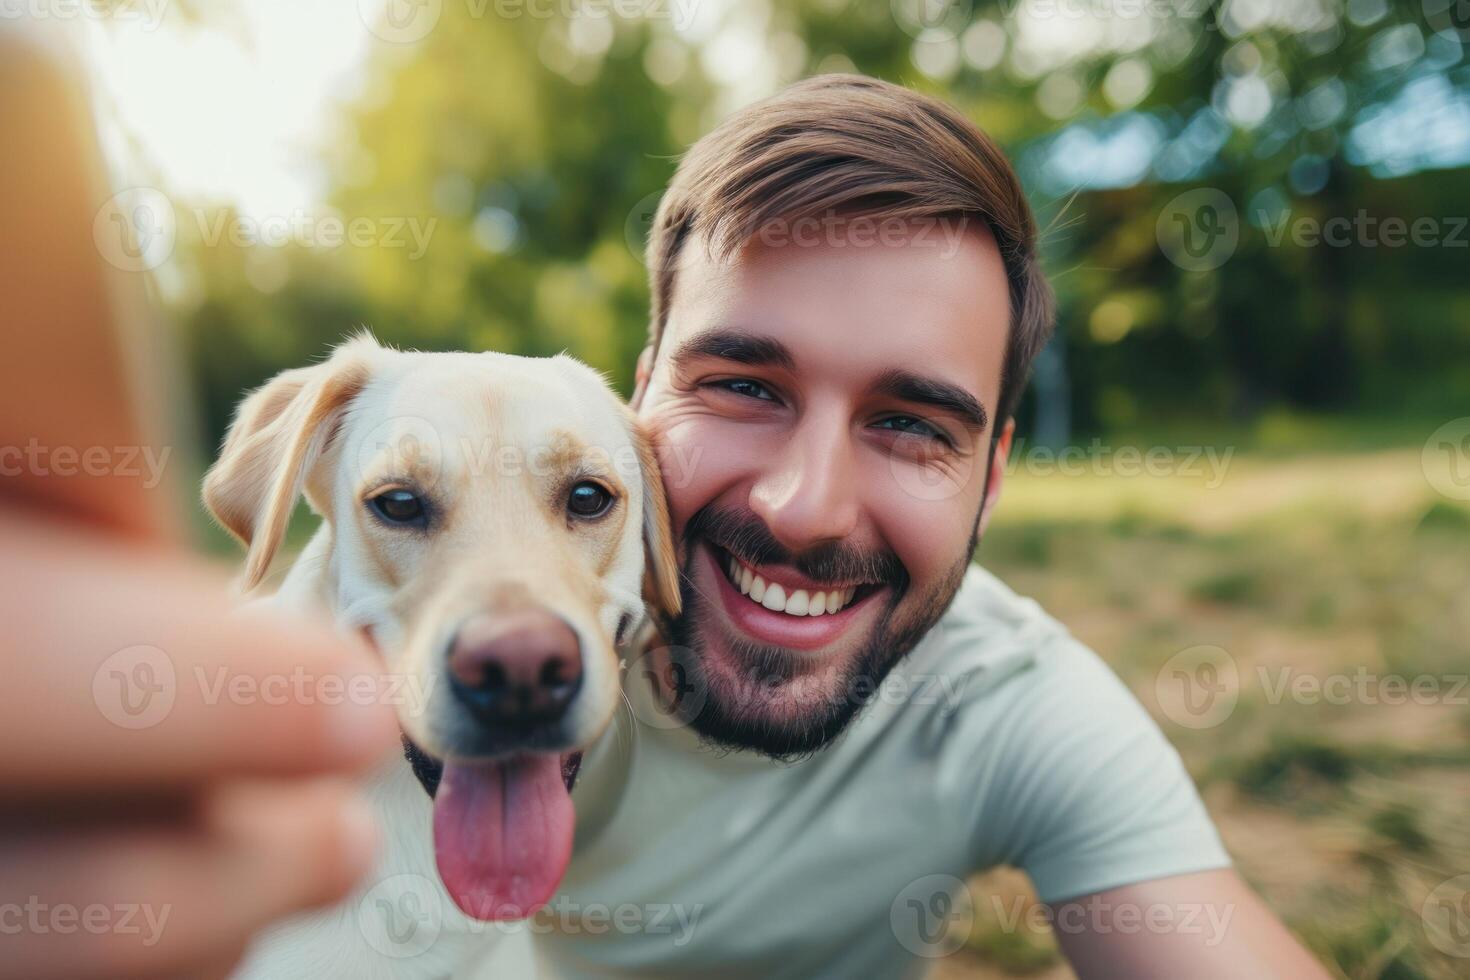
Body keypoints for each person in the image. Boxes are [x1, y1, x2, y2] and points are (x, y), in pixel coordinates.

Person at [536, 75, 1330, 978]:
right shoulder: (443, 615)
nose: (804, 508)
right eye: (745, 387)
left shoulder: (1004, 700)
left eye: (911, 425)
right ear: (641, 397)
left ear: (991, 481)